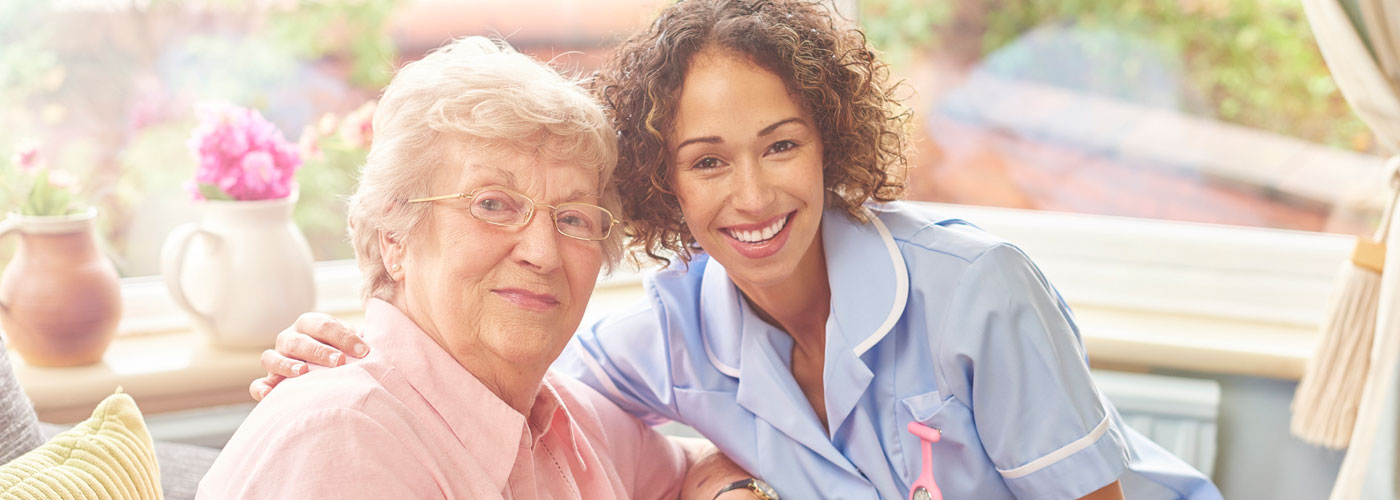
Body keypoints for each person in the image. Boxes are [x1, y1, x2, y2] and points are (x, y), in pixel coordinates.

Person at [254, 1, 1226, 499]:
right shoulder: (667, 333)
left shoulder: (979, 291)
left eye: (781, 145)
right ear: (664, 183)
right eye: (706, 159)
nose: (752, 194)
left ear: (830, 141)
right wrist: (341, 347)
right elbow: (466, 382)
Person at [198, 36, 758, 500]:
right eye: (492, 204)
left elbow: (693, 467)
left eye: (572, 217)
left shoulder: (562, 415)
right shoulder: (342, 440)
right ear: (394, 236)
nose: (541, 251)